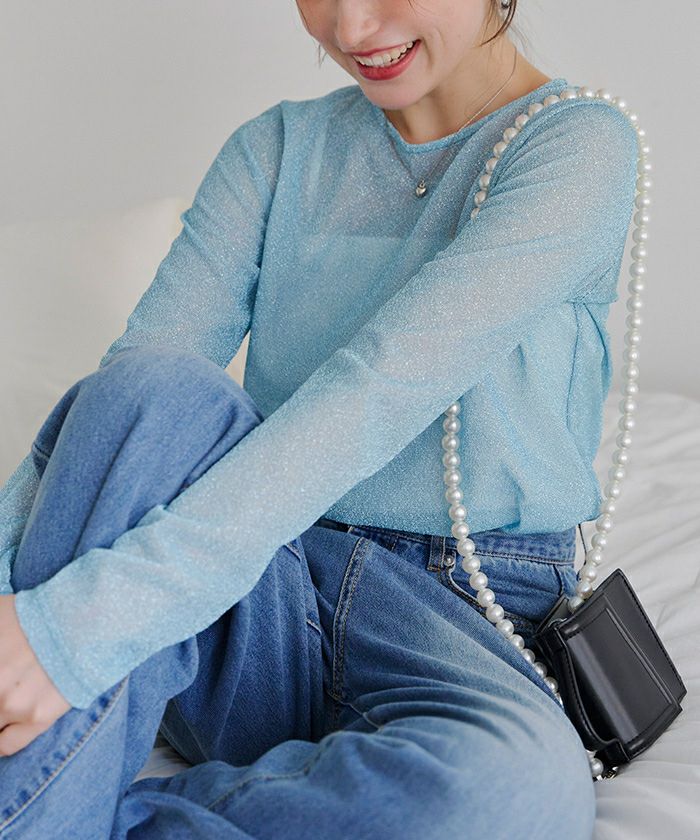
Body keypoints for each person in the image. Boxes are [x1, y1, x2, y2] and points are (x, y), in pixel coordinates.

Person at [0, 0, 639, 836]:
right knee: (152, 390)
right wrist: (32, 612)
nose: (352, 29)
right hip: (254, 585)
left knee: (513, 796)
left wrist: (80, 629)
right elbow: (125, 413)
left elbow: (378, 389)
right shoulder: (275, 149)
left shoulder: (575, 143)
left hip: (459, 615)